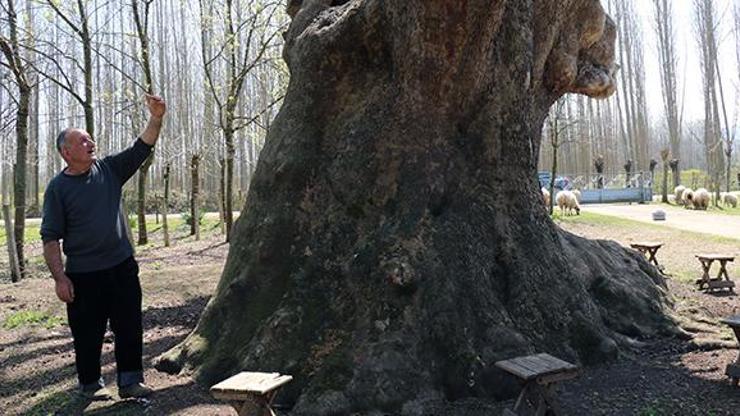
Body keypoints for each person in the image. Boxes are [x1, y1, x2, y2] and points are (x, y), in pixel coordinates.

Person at [41, 94, 166, 400]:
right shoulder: (58, 189)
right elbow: (50, 238)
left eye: (90, 138)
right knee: (87, 333)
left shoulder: (109, 169)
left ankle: (130, 381)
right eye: (83, 141)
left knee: (129, 326)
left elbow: (142, 147)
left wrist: (157, 117)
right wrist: (60, 278)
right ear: (66, 152)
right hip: (83, 275)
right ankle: (90, 385)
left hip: (121, 266)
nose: (91, 143)